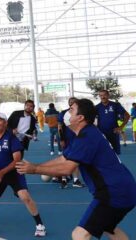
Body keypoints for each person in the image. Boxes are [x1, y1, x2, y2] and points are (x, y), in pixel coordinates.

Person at [16, 99, 136, 240]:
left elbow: (68, 169)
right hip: (124, 189)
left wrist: (35, 170)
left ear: (80, 117)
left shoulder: (87, 136)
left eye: (71, 109)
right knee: (109, 228)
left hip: (113, 192)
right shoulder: (84, 134)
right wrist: (36, 166)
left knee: (79, 235)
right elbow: (63, 159)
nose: (67, 112)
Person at [0, 112, 46, 237]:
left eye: (0, 119)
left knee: (25, 197)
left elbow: (17, 159)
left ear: (5, 123)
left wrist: (2, 172)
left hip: (13, 172)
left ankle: (40, 225)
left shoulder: (12, 138)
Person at [58, 97, 84, 189]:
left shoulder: (81, 113)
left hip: (77, 140)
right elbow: (60, 127)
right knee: (65, 158)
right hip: (67, 139)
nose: (72, 103)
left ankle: (76, 180)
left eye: (74, 102)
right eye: (70, 102)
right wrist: (61, 139)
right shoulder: (63, 113)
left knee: (76, 159)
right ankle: (64, 179)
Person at [95, 90, 130, 154]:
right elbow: (90, 119)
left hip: (114, 133)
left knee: (115, 154)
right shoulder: (97, 107)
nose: (103, 97)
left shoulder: (115, 105)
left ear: (108, 95)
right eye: (101, 95)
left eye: (104, 95)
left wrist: (121, 127)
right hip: (102, 135)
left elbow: (127, 115)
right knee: (102, 154)